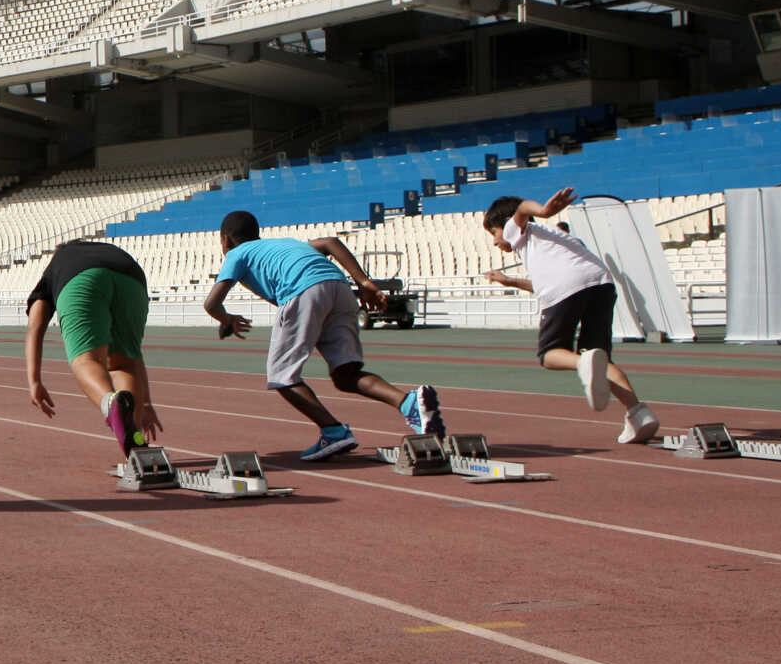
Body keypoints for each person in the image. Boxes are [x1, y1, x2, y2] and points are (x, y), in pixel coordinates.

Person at [203, 212, 442, 462]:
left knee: (282, 376)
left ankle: (334, 431)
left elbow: (211, 304)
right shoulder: (286, 243)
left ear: (226, 240)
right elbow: (331, 243)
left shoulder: (236, 254)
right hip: (339, 289)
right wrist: (364, 282)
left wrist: (226, 319)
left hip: (302, 291)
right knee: (346, 375)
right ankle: (409, 403)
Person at [483, 187, 661, 445]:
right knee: (600, 358)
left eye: (494, 233)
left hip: (567, 286)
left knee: (549, 355)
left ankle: (583, 363)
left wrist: (543, 210)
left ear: (505, 225)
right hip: (600, 283)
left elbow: (521, 209)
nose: (495, 241)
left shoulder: (520, 230)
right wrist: (509, 280)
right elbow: (557, 281)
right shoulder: (555, 236)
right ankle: (638, 413)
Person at [24, 238, 164, 455]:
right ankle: (135, 448)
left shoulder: (58, 264)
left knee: (85, 360)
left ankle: (110, 403)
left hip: (83, 279)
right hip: (133, 278)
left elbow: (36, 325)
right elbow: (134, 358)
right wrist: (144, 404)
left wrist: (34, 381)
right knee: (123, 363)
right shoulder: (104, 250)